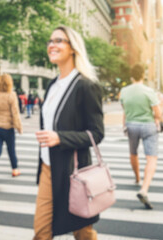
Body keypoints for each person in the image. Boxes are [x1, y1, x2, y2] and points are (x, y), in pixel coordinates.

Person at [34, 25, 104, 239]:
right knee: (42, 231)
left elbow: (96, 133)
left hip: (73, 170)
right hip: (49, 168)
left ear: (73, 48)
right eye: (50, 41)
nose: (51, 45)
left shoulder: (85, 85)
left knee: (82, 231)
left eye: (58, 40)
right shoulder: (52, 84)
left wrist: (60, 138)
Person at [119, 63, 161, 210]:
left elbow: (125, 109)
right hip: (148, 126)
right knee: (151, 158)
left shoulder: (124, 91)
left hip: (131, 125)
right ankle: (144, 189)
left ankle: (137, 177)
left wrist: (125, 123)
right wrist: (156, 119)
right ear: (143, 75)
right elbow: (158, 113)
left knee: (133, 153)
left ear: (131, 77)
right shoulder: (149, 91)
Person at [0, 73, 23, 189]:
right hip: (7, 127)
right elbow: (15, 113)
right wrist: (19, 127)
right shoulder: (11, 95)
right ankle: (15, 169)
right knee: (11, 149)